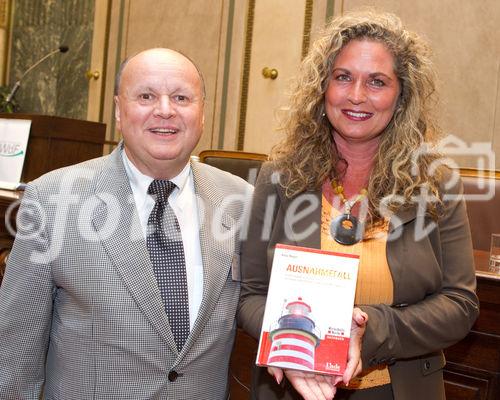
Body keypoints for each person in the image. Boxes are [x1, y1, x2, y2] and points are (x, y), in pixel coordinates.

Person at [238, 11, 479, 400]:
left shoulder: (437, 184)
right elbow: (250, 294)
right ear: (323, 87)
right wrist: (290, 343)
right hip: (293, 387)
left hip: (398, 390)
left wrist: (372, 330)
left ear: (402, 96)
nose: (356, 96)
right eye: (343, 77)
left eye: (377, 82)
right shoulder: (279, 177)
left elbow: (460, 304)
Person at [0, 48, 252, 399]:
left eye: (181, 97)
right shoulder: (51, 200)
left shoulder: (242, 200)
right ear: (119, 110)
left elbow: (266, 300)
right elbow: (15, 351)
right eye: (146, 96)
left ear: (203, 113)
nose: (165, 110)